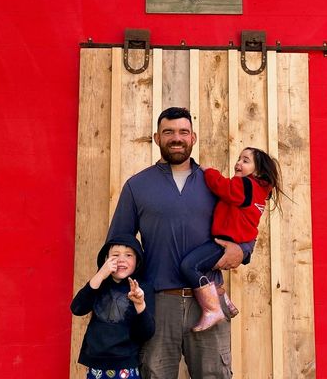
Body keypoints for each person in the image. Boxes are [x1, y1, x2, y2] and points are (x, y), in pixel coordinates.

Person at [107, 106, 255, 379]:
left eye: (183, 132)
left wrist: (243, 251)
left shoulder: (216, 184)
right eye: (169, 132)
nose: (177, 138)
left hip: (210, 302)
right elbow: (118, 245)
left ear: (193, 138)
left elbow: (245, 226)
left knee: (215, 375)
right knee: (154, 374)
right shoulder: (137, 186)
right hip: (158, 305)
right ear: (156, 138)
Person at [182, 147, 282, 332]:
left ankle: (212, 309)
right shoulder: (259, 191)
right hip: (241, 241)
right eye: (239, 159)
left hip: (227, 242)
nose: (238, 163)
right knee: (205, 267)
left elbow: (222, 187)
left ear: (258, 171)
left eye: (245, 161)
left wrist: (208, 171)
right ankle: (223, 298)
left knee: (189, 266)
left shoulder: (246, 185)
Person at [70, 234, 155, 379]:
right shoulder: (99, 284)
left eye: (129, 255)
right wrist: (100, 274)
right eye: (115, 255)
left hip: (126, 364)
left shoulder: (142, 288)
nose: (121, 259)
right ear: (105, 259)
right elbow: (77, 308)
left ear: (137, 260)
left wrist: (140, 304)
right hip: (96, 362)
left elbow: (146, 333)